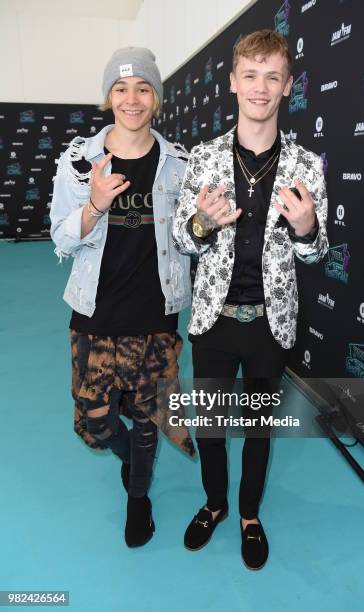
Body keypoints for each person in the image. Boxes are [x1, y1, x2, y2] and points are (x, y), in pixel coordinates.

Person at [173, 29, 328, 570]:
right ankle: (214, 503)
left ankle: (248, 514)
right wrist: (199, 222)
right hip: (213, 320)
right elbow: (179, 238)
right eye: (251, 74)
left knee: (259, 429)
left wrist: (308, 229)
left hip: (270, 324)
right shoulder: (205, 157)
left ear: (287, 86)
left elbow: (314, 255)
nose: (260, 87)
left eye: (273, 76)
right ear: (233, 81)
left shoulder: (308, 165)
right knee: (211, 427)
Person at [50, 47, 194, 548]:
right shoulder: (79, 159)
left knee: (150, 417)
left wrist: (205, 223)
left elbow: (190, 238)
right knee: (94, 424)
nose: (132, 99)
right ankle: (132, 456)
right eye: (121, 88)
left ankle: (139, 501)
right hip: (96, 314)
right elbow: (62, 239)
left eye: (143, 89)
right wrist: (94, 204)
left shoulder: (178, 163)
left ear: (156, 98)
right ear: (108, 97)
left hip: (157, 315)